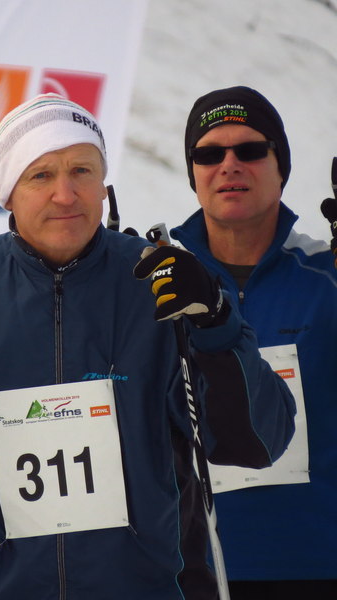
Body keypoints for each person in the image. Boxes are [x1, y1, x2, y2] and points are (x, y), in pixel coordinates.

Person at [0, 93, 295, 600]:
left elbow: (256, 442)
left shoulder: (162, 282)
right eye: (41, 175)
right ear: (8, 193)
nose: (66, 195)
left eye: (81, 171)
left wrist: (217, 323)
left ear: (104, 185)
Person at [171, 85, 337, 599]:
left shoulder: (327, 275)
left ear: (280, 167)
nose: (229, 165)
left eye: (249, 150)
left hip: (320, 563)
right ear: (194, 172)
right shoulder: (161, 290)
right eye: (209, 154)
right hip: (192, 572)